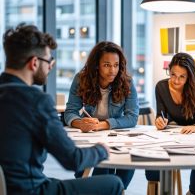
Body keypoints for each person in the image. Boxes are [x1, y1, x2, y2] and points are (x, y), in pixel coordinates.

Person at [0, 24, 123, 195]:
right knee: (114, 183)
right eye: (49, 60)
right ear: (34, 63)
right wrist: (102, 149)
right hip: (30, 190)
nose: (51, 66)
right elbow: (73, 160)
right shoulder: (37, 102)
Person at [64, 41, 139, 189]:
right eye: (107, 65)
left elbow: (132, 117)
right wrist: (80, 123)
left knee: (130, 160)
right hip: (90, 137)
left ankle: (114, 189)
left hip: (114, 136)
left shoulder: (127, 82)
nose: (112, 70)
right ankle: (106, 188)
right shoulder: (81, 79)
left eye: (116, 65)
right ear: (97, 65)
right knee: (100, 165)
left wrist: (104, 125)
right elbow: (70, 112)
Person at [146, 52, 195, 195]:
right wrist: (160, 121)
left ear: (189, 76)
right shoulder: (161, 87)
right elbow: (161, 114)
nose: (176, 81)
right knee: (154, 159)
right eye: (173, 74)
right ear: (169, 70)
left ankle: (192, 192)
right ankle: (159, 187)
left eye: (182, 77)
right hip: (175, 135)